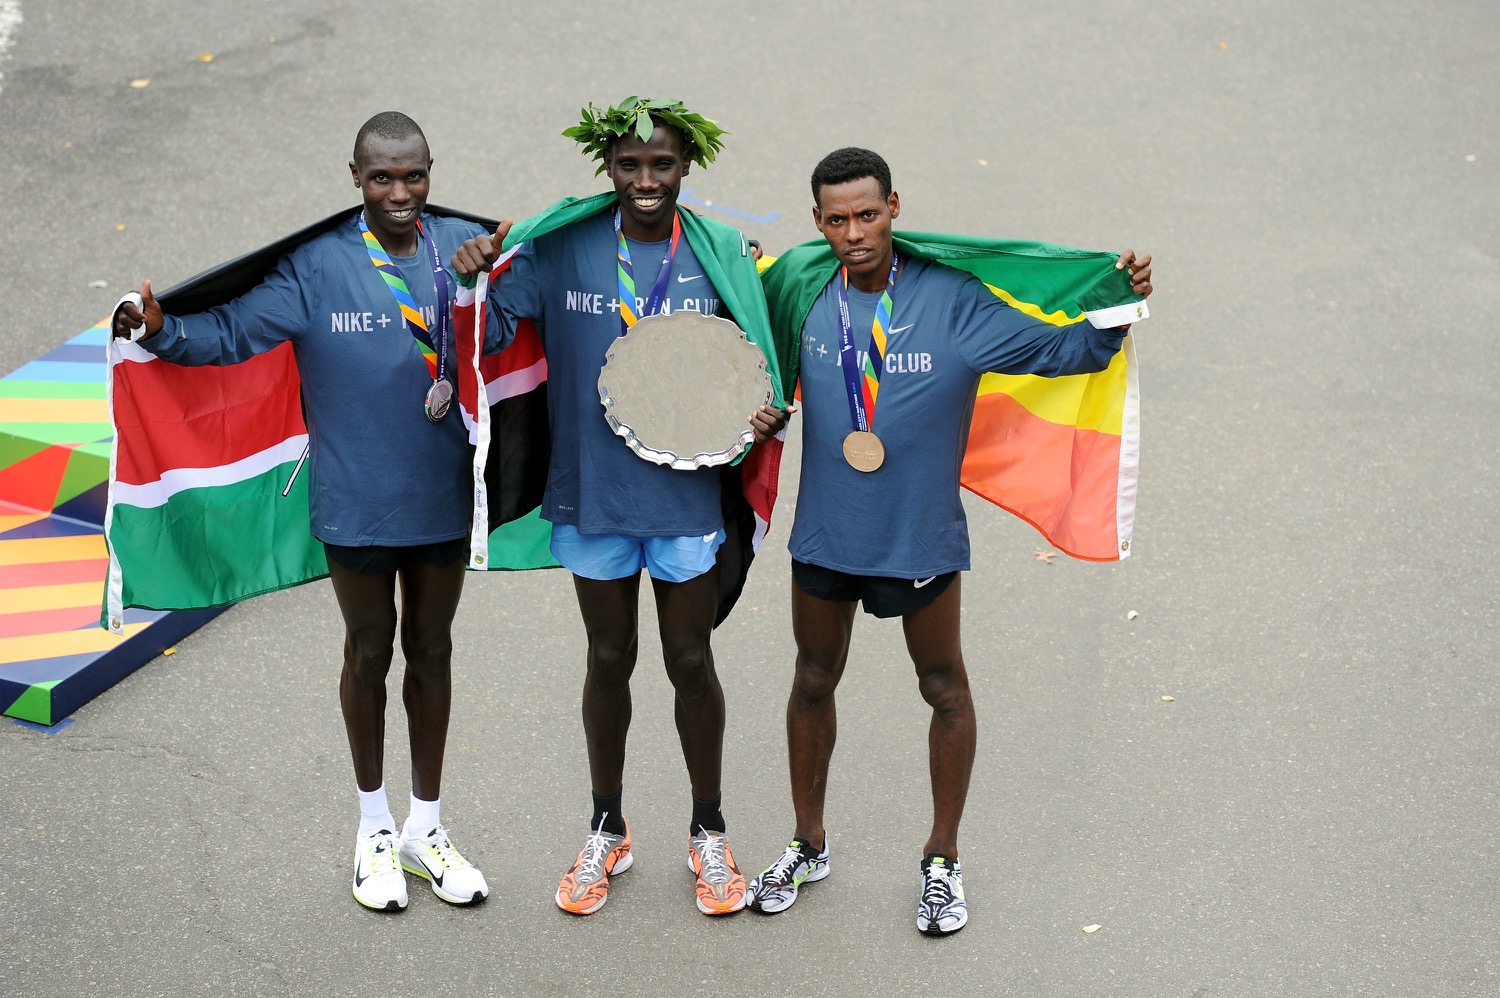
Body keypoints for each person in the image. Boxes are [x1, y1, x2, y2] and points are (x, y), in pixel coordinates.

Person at [745, 147, 1154, 935]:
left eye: (868, 214)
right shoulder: (802, 291)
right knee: (811, 680)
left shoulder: (953, 302)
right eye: (837, 219)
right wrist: (763, 408)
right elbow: (756, 363)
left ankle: (942, 859)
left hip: (919, 540)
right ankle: (807, 843)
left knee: (944, 689)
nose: (855, 232)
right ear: (818, 222)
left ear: (894, 206)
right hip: (826, 537)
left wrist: (1117, 300)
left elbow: (1070, 350)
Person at [113, 111, 507, 912]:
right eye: (381, 177)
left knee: (432, 650)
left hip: (443, 494)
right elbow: (226, 334)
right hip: (355, 502)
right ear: (353, 177)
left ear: (433, 171)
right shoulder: (315, 266)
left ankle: (426, 829)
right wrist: (160, 330)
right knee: (370, 650)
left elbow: (502, 336)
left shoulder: (461, 246)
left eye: (414, 176)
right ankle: (373, 829)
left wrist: (477, 284)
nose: (400, 193)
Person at [452, 97, 786, 917]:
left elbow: (757, 362)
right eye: (630, 165)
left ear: (686, 168)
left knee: (689, 661)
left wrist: (762, 415)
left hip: (685, 496)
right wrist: (468, 282)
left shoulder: (717, 258)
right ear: (607, 169)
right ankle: (608, 825)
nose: (646, 179)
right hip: (591, 493)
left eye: (662, 164)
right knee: (608, 659)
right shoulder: (561, 248)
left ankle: (709, 829)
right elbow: (489, 334)